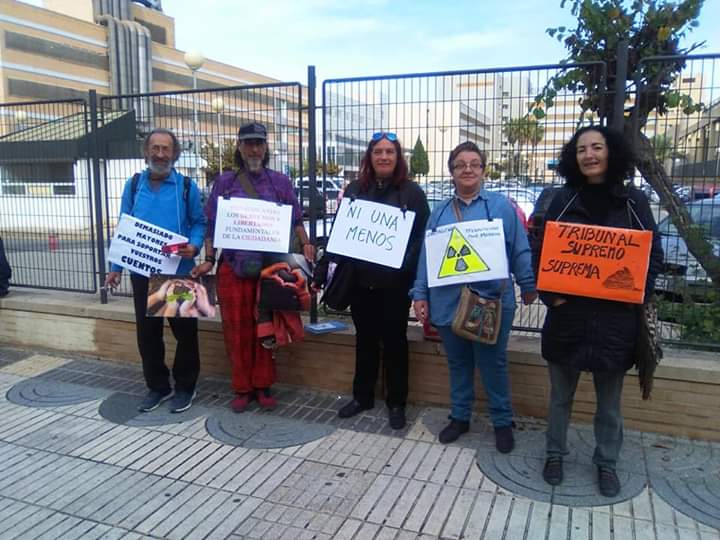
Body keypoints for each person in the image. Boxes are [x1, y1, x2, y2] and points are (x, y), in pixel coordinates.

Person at [532, 126, 663, 497]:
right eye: (581, 149)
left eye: (597, 147)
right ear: (573, 157)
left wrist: (636, 293)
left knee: (609, 405)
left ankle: (606, 462)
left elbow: (653, 254)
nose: (589, 155)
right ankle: (554, 454)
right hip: (567, 318)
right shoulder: (563, 199)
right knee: (560, 397)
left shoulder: (633, 201)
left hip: (615, 322)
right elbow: (542, 251)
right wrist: (550, 298)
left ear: (612, 152)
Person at [412, 141, 537, 451]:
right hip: (447, 302)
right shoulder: (439, 212)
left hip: (490, 302)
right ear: (451, 172)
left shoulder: (501, 207)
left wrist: (528, 283)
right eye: (460, 165)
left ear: (483, 170)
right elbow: (427, 257)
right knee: (458, 364)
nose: (467, 169)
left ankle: (502, 422)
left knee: (493, 364)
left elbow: (519, 246)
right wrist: (420, 294)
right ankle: (460, 416)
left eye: (474, 163)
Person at [192, 122, 315, 412]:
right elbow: (211, 225)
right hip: (232, 269)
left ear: (266, 146)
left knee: (266, 329)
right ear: (239, 146)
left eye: (259, 143)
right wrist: (209, 259)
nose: (254, 149)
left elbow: (296, 220)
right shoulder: (224, 182)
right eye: (248, 143)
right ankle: (242, 387)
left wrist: (307, 245)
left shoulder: (280, 182)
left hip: (269, 270)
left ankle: (263, 385)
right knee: (236, 331)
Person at [314, 132, 430, 430]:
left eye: (389, 151)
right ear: (370, 157)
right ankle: (362, 396)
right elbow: (340, 234)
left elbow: (422, 237)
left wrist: (404, 263)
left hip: (395, 285)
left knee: (395, 343)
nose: (383, 156)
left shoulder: (413, 193)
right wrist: (323, 266)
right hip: (360, 282)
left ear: (397, 157)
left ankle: (396, 403)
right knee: (364, 341)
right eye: (378, 151)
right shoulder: (355, 189)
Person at [105, 128, 207, 413]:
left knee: (185, 333)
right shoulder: (134, 184)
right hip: (142, 272)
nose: (160, 154)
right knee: (148, 334)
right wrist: (115, 268)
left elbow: (200, 222)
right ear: (146, 151)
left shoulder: (187, 187)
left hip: (179, 272)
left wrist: (195, 245)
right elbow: (124, 226)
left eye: (166, 149)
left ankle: (186, 386)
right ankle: (157, 387)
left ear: (174, 154)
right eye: (155, 148)